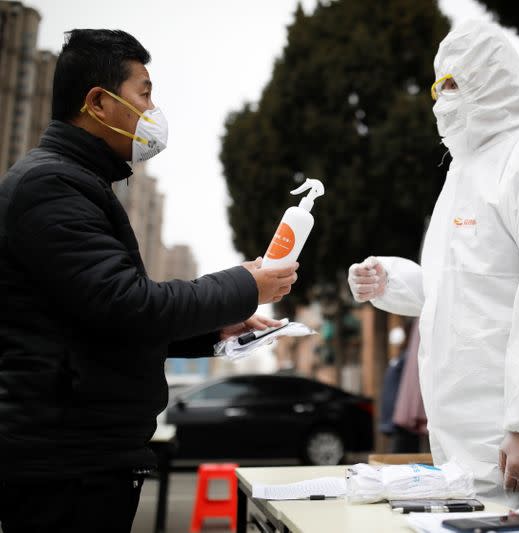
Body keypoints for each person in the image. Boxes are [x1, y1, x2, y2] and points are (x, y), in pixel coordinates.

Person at [0, 29, 298, 533]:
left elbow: (102, 320)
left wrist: (216, 328)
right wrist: (244, 284)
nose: (153, 110)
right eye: (144, 93)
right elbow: (126, 305)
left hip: (81, 456)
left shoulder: (77, 181)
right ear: (98, 102)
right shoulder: (51, 186)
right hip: (64, 464)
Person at [349, 20, 519, 527]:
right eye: (437, 85)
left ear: (495, 79)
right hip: (462, 458)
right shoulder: (462, 176)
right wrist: (392, 281)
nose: (441, 98)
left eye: (455, 83)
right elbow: (463, 290)